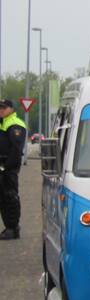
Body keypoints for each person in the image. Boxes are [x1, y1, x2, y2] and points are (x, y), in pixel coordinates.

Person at [0, 99, 27, 240]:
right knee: (3, 198)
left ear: (11, 109)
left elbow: (16, 151)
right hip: (3, 166)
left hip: (8, 167)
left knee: (10, 197)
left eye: (4, 108)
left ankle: (13, 228)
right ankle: (8, 227)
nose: (1, 110)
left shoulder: (15, 124)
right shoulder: (3, 122)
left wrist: (6, 167)